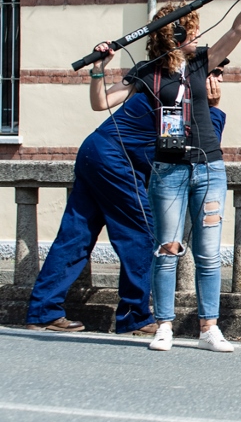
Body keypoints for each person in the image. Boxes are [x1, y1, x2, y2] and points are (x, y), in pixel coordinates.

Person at [90, 0, 241, 353]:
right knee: (167, 248)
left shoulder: (203, 62)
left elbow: (238, 30)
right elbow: (101, 103)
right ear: (173, 34)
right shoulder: (149, 73)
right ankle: (164, 327)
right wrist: (97, 70)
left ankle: (209, 327)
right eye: (190, 31)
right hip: (168, 171)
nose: (197, 36)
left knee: (208, 253)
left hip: (209, 167)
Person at [25, 91, 159, 335]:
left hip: (95, 149)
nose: (219, 79)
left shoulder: (158, 83)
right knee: (140, 235)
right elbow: (206, 143)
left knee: (76, 235)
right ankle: (134, 317)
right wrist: (214, 107)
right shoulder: (182, 93)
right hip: (115, 159)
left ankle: (43, 311)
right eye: (215, 72)